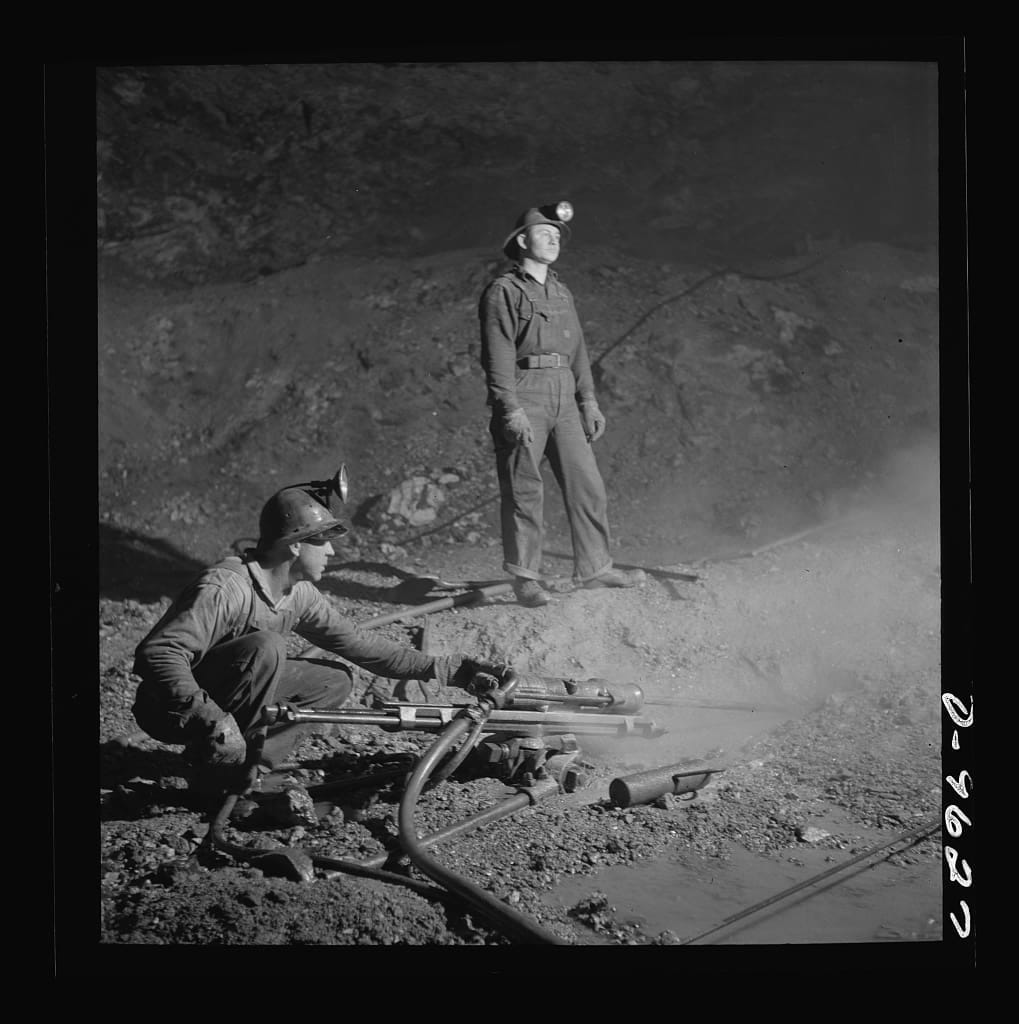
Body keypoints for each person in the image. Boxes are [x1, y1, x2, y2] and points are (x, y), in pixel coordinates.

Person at [131, 470, 501, 801]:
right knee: (268, 646)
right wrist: (210, 718)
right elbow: (159, 653)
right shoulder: (227, 588)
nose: (332, 551)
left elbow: (362, 645)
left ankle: (253, 771)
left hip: (224, 693)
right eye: (323, 541)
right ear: (295, 545)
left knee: (332, 680)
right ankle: (216, 781)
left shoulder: (298, 594)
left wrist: (456, 671)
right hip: (171, 710)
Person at [478, 202, 646, 608]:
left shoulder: (560, 291)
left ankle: (596, 568)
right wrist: (510, 409)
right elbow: (497, 355)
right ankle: (525, 579)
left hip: (564, 393)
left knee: (587, 483)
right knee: (525, 488)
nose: (554, 238)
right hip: (526, 388)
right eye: (545, 232)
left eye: (558, 234)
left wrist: (588, 400)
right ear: (522, 241)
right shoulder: (504, 291)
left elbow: (579, 351)